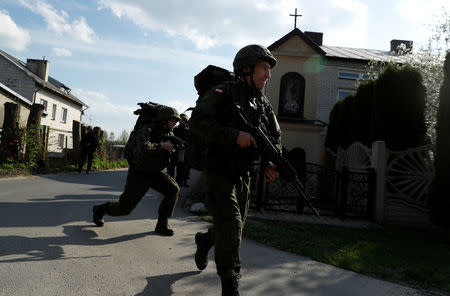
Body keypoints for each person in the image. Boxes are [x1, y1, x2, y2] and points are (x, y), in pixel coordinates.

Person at [189, 44, 282, 296]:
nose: (268, 75)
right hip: (218, 169)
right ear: (246, 68)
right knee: (231, 223)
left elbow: (274, 136)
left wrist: (272, 162)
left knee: (234, 227)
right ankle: (230, 284)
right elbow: (197, 123)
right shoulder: (224, 92)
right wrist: (234, 136)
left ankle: (205, 240)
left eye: (269, 70)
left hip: (243, 174)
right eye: (264, 68)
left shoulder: (262, 103)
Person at [91, 106, 181, 236]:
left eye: (176, 122)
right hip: (139, 173)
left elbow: (167, 152)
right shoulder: (147, 129)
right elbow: (143, 147)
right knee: (124, 209)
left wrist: (174, 149)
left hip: (155, 172)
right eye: (173, 121)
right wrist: (161, 146)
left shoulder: (169, 133)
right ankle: (100, 209)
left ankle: (162, 223)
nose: (175, 124)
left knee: (173, 189)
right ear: (164, 120)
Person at [173, 113, 191, 187]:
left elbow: (189, 142)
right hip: (174, 151)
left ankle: (178, 186)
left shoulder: (188, 131)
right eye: (180, 120)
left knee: (181, 171)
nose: (181, 121)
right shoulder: (175, 129)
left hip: (182, 153)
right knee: (171, 170)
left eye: (183, 120)